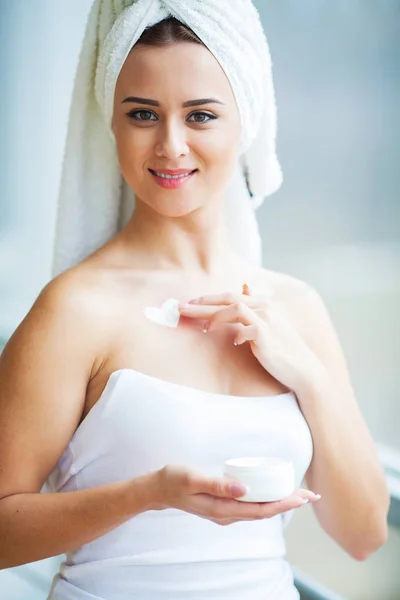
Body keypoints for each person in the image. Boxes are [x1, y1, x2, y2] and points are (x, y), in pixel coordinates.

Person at [0, 1, 389, 599]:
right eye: (143, 114)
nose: (171, 145)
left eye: (201, 115)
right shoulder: (76, 309)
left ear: (247, 118)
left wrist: (309, 376)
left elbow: (363, 535)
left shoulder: (295, 307)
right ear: (112, 121)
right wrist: (147, 493)